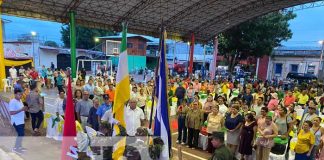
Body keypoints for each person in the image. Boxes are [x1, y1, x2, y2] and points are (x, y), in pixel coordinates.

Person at [9, 88, 28, 154]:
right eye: (19, 94)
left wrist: (25, 109)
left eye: (21, 94)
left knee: (21, 134)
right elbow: (11, 113)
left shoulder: (20, 101)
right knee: (21, 134)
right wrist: (21, 110)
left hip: (21, 120)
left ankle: (19, 147)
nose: (20, 96)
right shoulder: (12, 102)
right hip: (16, 121)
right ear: (15, 94)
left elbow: (21, 109)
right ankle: (15, 148)